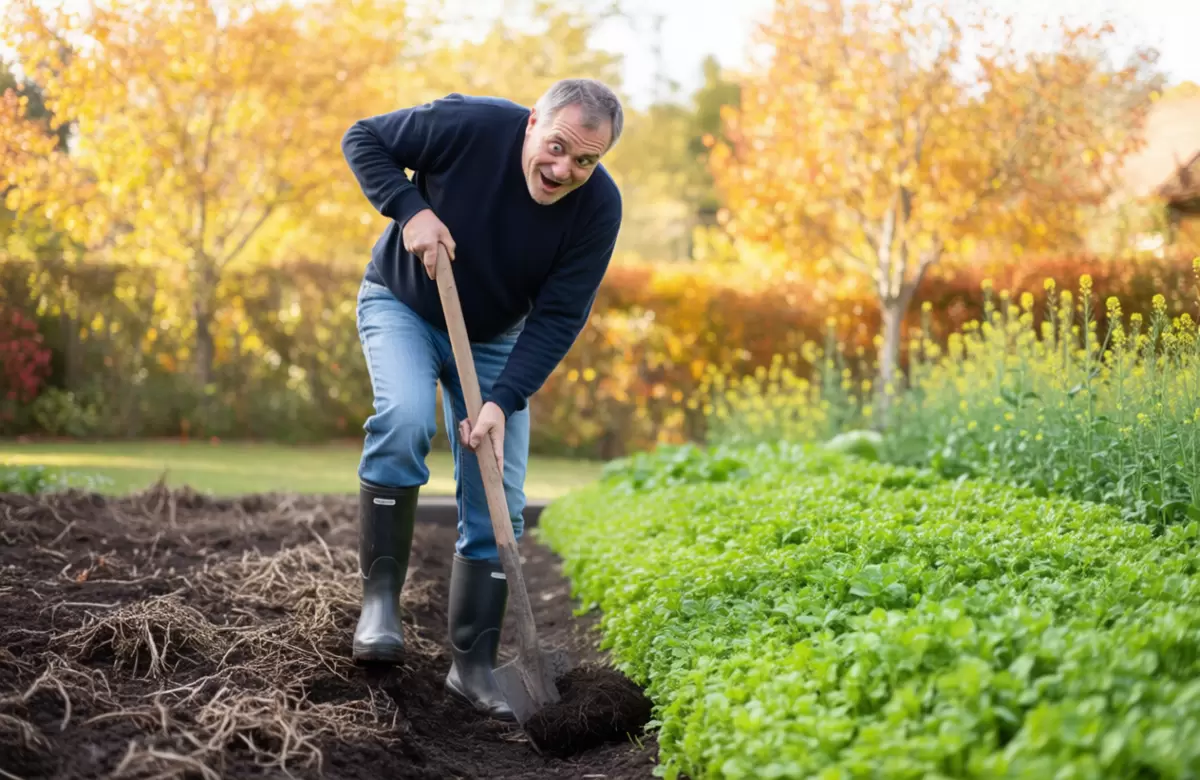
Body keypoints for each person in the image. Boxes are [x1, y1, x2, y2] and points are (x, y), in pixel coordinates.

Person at [339, 78, 624, 720]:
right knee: (405, 419)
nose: (564, 169)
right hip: (403, 302)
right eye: (556, 147)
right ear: (531, 124)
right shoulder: (468, 126)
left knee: (499, 493)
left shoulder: (598, 209)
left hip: (496, 337)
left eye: (586, 160)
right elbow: (363, 139)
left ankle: (472, 666)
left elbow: (558, 316)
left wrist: (501, 401)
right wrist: (410, 208)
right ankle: (380, 606)